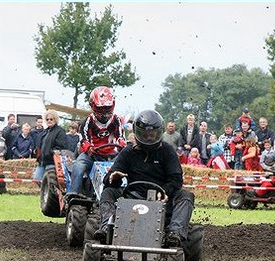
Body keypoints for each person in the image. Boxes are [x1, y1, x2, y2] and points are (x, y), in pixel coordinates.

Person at [94, 109, 194, 248]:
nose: (149, 138)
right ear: (137, 133)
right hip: (132, 196)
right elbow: (109, 179)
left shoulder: (167, 151)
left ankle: (175, 233)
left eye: (152, 134)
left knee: (186, 195)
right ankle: (106, 227)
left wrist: (165, 191)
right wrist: (114, 178)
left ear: (159, 132)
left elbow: (176, 180)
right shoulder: (128, 152)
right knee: (108, 192)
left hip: (160, 199)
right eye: (145, 134)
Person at [66, 86, 126, 199]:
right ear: (93, 106)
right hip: (92, 155)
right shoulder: (88, 121)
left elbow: (120, 136)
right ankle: (74, 193)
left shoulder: (116, 120)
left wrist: (122, 145)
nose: (104, 112)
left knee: (126, 166)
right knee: (79, 165)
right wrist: (88, 148)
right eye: (101, 108)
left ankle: (126, 193)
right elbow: (84, 139)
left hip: (111, 155)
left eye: (107, 108)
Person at [34, 109, 68, 180]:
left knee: (49, 182)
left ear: (55, 120)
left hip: (52, 162)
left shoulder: (60, 131)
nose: (49, 121)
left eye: (51, 119)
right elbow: (40, 145)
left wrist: (50, 152)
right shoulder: (44, 132)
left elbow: (61, 147)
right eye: (47, 119)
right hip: (42, 161)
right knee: (37, 179)